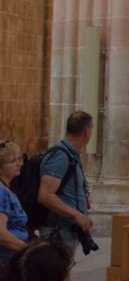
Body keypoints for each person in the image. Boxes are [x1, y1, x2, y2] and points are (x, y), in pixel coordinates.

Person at [37, 110, 94, 257]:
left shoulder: (71, 154)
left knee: (62, 276)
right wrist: (77, 215)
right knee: (56, 277)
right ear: (87, 132)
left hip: (67, 230)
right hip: (58, 231)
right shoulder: (60, 156)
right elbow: (45, 195)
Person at [0, 139, 30, 281]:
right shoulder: (1, 191)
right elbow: (1, 234)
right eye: (13, 161)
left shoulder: (5, 190)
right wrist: (31, 250)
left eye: (19, 159)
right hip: (4, 261)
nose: (19, 164)